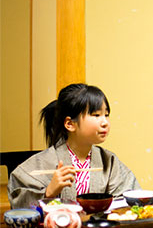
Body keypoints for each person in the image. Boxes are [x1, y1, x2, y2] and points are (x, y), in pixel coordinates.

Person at [8, 83, 141, 209]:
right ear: (70, 124)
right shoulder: (42, 163)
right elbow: (18, 200)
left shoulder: (109, 161)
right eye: (96, 115)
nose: (105, 122)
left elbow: (131, 197)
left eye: (106, 115)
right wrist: (48, 193)